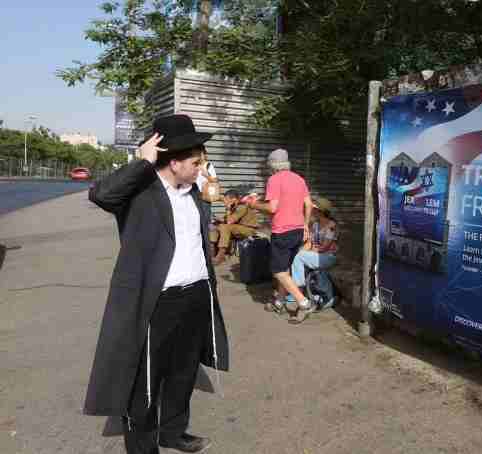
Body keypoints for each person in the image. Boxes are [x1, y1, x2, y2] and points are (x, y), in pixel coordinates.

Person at [84, 114, 229, 454]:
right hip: (156, 303)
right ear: (174, 162)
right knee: (144, 383)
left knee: (183, 372)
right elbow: (101, 194)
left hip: (195, 297)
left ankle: (173, 432)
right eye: (196, 162)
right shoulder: (140, 193)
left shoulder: (192, 191)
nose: (201, 168)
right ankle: (143, 447)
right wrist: (141, 162)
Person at [247, 148, 315, 324]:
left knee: (278, 270)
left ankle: (304, 303)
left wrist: (254, 205)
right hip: (298, 230)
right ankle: (279, 302)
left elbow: (272, 208)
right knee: (285, 268)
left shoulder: (274, 179)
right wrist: (306, 224)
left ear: (272, 165)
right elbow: (308, 205)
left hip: (282, 231)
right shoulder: (299, 179)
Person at [287, 197, 338, 311]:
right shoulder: (315, 224)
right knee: (296, 254)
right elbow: (310, 243)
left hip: (328, 257)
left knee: (299, 257)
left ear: (321, 211)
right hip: (317, 255)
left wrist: (308, 251)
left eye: (314, 209)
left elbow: (325, 247)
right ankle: (298, 290)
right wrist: (301, 251)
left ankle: (298, 290)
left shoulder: (331, 225)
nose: (312, 211)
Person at [209, 189, 260, 264]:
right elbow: (227, 219)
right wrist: (216, 220)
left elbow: (229, 221)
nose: (224, 201)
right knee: (214, 226)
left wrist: (228, 208)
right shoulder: (234, 206)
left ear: (234, 199)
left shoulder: (242, 206)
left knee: (225, 227)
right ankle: (212, 253)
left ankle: (221, 256)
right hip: (236, 227)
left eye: (226, 199)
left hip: (249, 229)